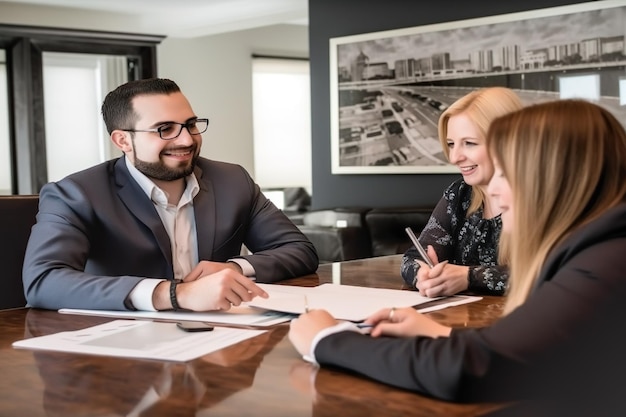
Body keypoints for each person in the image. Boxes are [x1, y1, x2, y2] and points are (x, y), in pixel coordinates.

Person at [289, 99, 626, 410]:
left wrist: (327, 340)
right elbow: (531, 349)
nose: (492, 189)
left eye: (506, 173)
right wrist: (444, 333)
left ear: (554, 178)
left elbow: (472, 369)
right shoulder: (599, 248)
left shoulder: (605, 263)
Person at [22, 77, 318, 312]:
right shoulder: (76, 194)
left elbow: (299, 250)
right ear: (122, 140)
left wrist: (232, 268)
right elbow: (43, 281)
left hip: (219, 336)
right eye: (165, 129)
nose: (187, 139)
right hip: (117, 345)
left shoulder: (232, 180)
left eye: (190, 125)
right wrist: (175, 294)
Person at [401, 87, 523, 297]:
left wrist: (468, 277)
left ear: (507, 142)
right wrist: (423, 275)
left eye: (469, 143)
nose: (454, 157)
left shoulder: (545, 196)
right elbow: (413, 257)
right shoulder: (460, 194)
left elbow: (549, 272)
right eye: (451, 144)